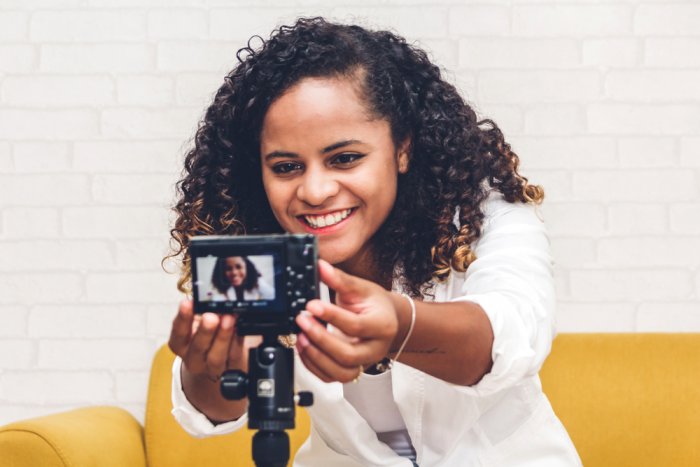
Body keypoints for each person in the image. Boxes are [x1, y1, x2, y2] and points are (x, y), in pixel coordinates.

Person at [166, 17, 582, 467]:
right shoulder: (259, 253)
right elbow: (209, 410)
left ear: (402, 147)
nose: (315, 191)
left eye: (345, 158)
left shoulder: (483, 217)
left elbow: (512, 334)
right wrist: (210, 366)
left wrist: (400, 327)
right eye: (286, 167)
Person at [204, 256, 275, 301]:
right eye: (228, 268)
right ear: (222, 272)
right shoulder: (221, 290)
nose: (234, 272)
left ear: (247, 268)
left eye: (238, 267)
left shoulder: (257, 281)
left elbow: (273, 296)